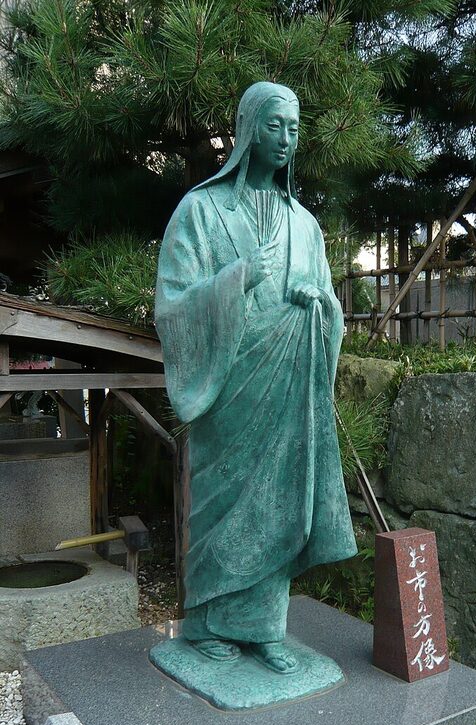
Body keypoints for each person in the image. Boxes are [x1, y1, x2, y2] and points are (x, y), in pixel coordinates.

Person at [155, 82, 357, 675]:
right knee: (223, 506)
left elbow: (331, 306)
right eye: (276, 127)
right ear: (248, 130)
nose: (287, 140)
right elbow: (172, 305)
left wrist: (319, 302)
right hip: (229, 386)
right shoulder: (201, 211)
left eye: (295, 129)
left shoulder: (306, 225)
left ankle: (266, 628)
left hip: (288, 382)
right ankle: (206, 623)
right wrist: (237, 279)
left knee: (280, 502)